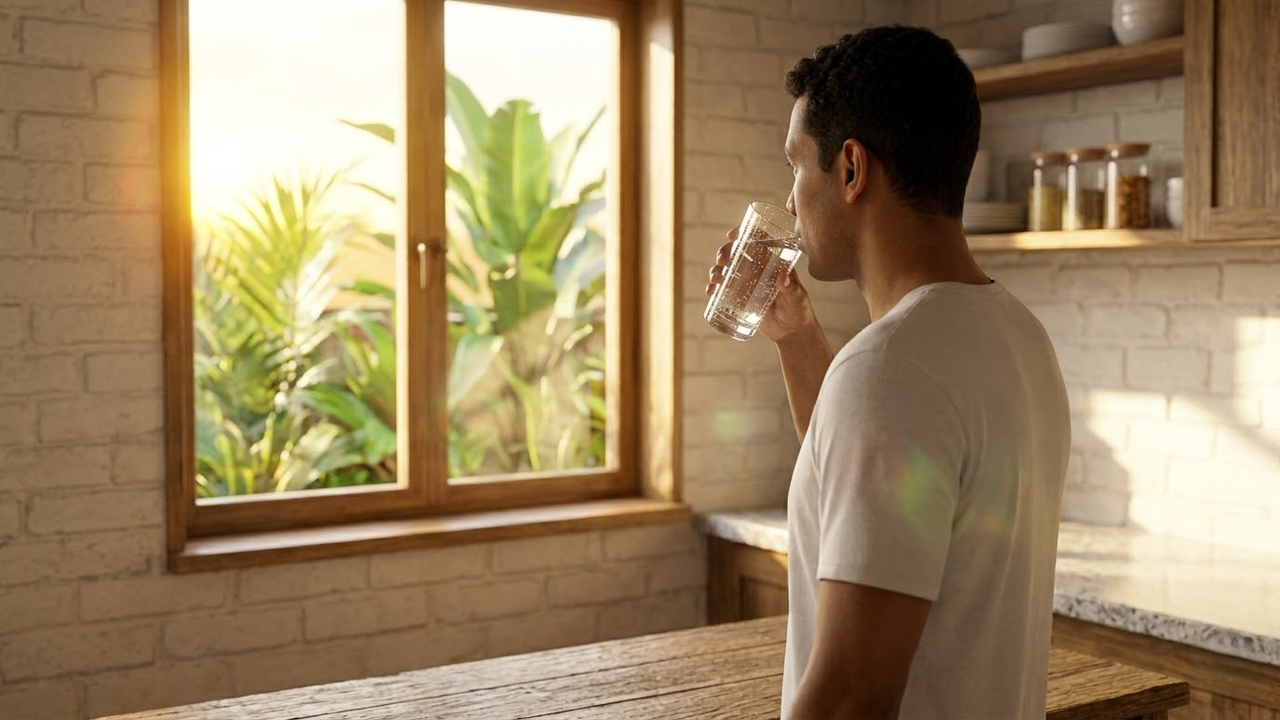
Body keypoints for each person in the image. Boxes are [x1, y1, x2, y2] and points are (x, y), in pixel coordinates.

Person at [705, 26, 1072, 719]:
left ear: (850, 169)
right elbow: (874, 489)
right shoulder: (1016, 335)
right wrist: (799, 339)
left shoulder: (888, 369)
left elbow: (851, 696)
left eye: (795, 166)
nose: (789, 200)